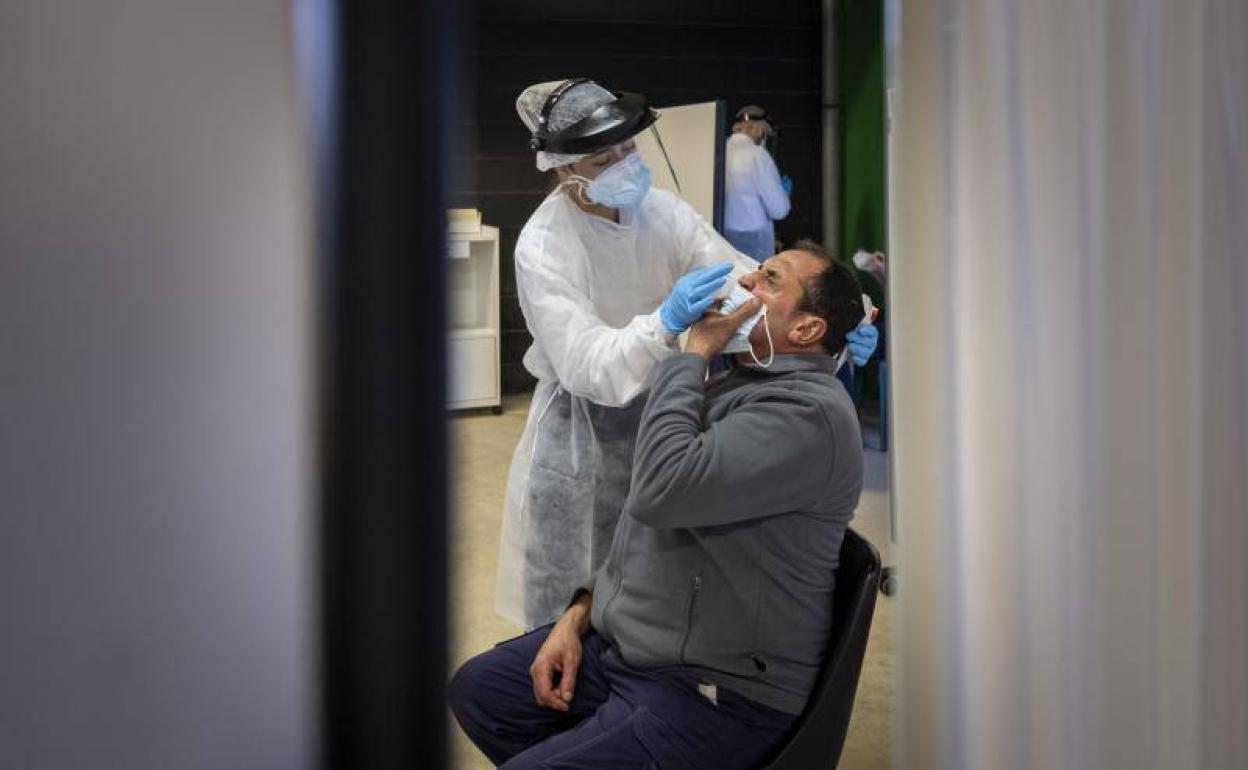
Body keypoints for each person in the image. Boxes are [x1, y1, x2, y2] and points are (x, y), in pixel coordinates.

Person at [451, 242, 867, 770]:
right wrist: (581, 615)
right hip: (639, 649)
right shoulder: (742, 382)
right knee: (481, 693)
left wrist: (691, 356)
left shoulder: (807, 416)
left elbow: (660, 487)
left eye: (770, 280)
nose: (745, 284)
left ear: (806, 331)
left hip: (713, 688)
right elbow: (639, 530)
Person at [497, 78, 878, 631]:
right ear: (563, 168)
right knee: (569, 596)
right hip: (584, 433)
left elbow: (740, 290)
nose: (625, 162)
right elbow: (588, 368)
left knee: (652, 587)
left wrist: (832, 337)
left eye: (628, 147)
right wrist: (665, 323)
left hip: (671, 412)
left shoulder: (662, 211)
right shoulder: (544, 245)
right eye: (605, 157)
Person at [724, 105, 791, 261]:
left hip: (723, 236)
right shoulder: (757, 155)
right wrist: (783, 194)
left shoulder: (718, 151)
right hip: (755, 240)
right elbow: (779, 210)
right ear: (760, 130)